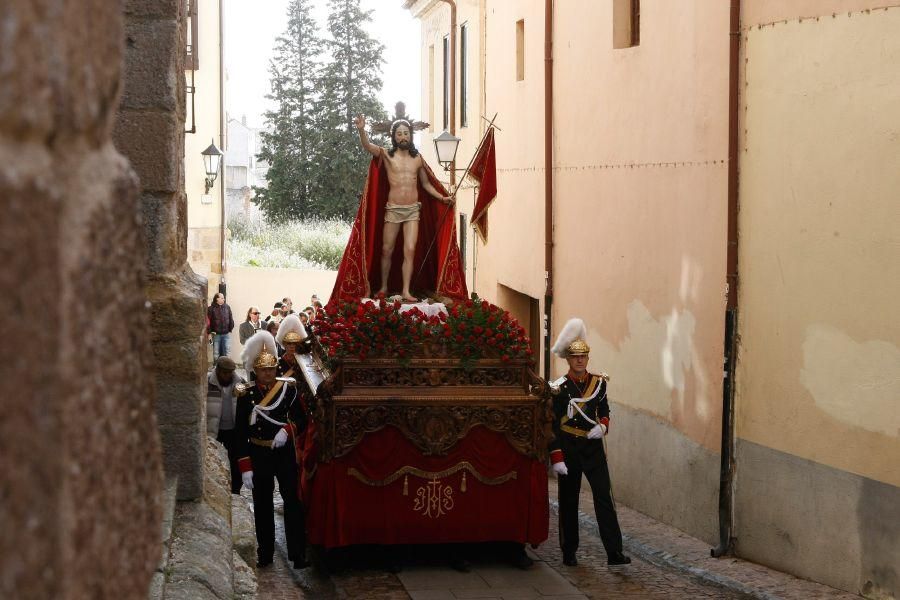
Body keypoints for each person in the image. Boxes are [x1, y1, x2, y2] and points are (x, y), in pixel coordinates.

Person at [548, 318, 631, 568]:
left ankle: (614, 552)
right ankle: (569, 550)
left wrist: (603, 426)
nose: (580, 361)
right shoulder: (559, 389)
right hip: (569, 447)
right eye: (575, 357)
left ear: (588, 358)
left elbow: (605, 409)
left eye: (583, 356)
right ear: (568, 360)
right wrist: (556, 457)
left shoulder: (599, 383)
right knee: (569, 501)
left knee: (604, 497)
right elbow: (551, 425)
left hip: (593, 448)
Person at [355, 114, 455, 301]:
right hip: (393, 209)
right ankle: (384, 286)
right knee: (387, 249)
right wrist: (362, 130)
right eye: (399, 134)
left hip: (412, 211)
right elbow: (368, 146)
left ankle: (406, 290)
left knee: (409, 249)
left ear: (410, 136)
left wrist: (442, 197)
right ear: (394, 137)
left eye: (406, 133)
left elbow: (425, 185)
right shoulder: (386, 155)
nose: (403, 137)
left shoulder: (417, 159)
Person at [236, 332, 309, 570]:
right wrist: (245, 466)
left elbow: (301, 418)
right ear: (256, 371)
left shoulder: (288, 390)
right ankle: (265, 552)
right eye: (264, 370)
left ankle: (297, 553)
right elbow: (239, 432)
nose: (268, 373)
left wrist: (288, 430)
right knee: (263, 504)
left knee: (292, 501)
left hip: (283, 452)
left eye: (271, 369)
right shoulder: (246, 395)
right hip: (259, 454)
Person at [206, 356, 246, 494]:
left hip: (233, 430)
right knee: (212, 462)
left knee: (235, 463)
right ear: (217, 371)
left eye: (230, 373)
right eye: (224, 373)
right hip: (213, 430)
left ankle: (235, 491)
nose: (227, 376)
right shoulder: (207, 383)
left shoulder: (240, 384)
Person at [207, 292, 234, 364]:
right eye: (222, 298)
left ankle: (228, 366)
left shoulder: (227, 307)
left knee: (227, 351)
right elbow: (207, 321)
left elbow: (230, 318)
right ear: (217, 299)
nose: (224, 299)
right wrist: (209, 332)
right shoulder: (211, 309)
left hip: (226, 334)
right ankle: (215, 367)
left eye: (223, 298)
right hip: (216, 334)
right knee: (216, 352)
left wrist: (231, 327)